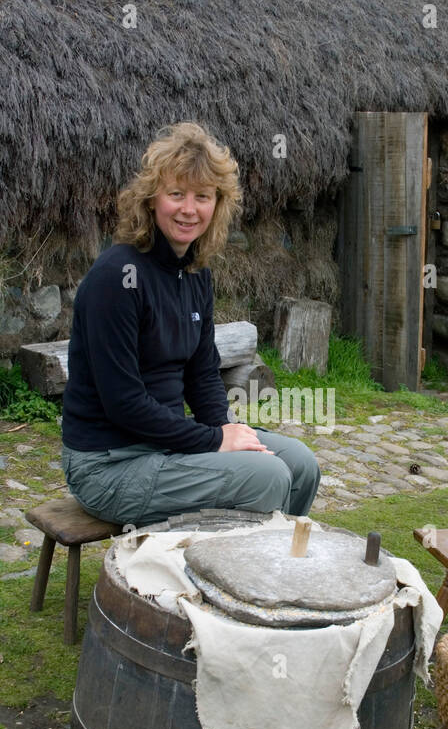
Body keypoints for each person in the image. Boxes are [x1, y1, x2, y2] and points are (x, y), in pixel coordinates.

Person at [60, 121, 320, 527]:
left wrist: (224, 429)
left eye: (202, 196)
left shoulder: (196, 273)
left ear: (218, 204)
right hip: (109, 464)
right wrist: (216, 441)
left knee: (301, 464)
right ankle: (228, 582)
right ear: (151, 200)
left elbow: (202, 375)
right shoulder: (117, 276)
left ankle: (267, 573)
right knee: (266, 477)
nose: (189, 209)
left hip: (168, 447)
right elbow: (123, 403)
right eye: (176, 194)